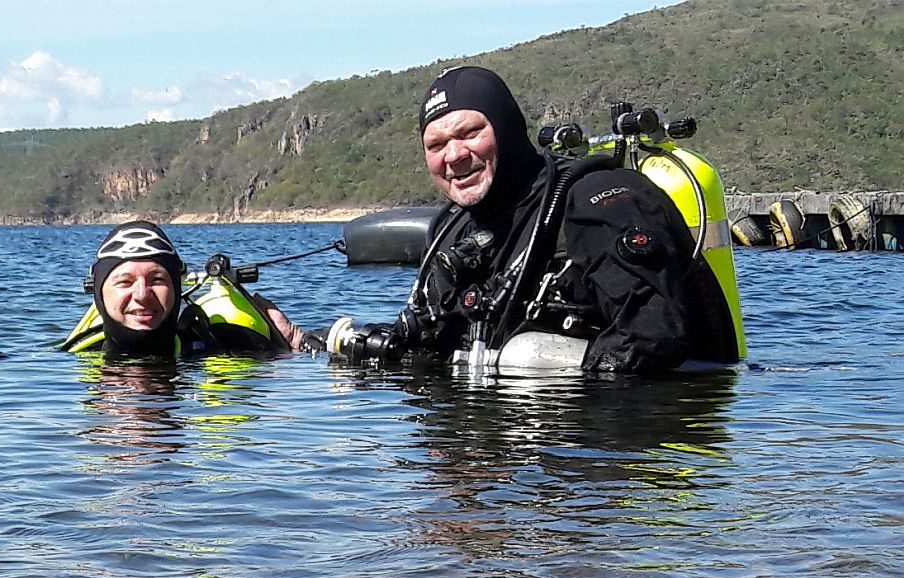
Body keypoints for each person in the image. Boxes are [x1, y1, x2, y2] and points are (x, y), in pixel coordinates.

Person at [334, 65, 740, 374]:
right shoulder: (451, 230)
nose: (454, 155)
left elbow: (655, 336)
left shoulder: (595, 202)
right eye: (436, 144)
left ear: (508, 129)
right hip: (499, 456)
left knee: (523, 356)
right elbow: (430, 339)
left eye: (470, 133)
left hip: (607, 461)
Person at [62, 220, 298, 356]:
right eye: (125, 282)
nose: (142, 295)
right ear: (99, 293)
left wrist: (293, 341)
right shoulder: (75, 359)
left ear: (176, 287)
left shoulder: (229, 343)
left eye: (157, 280)